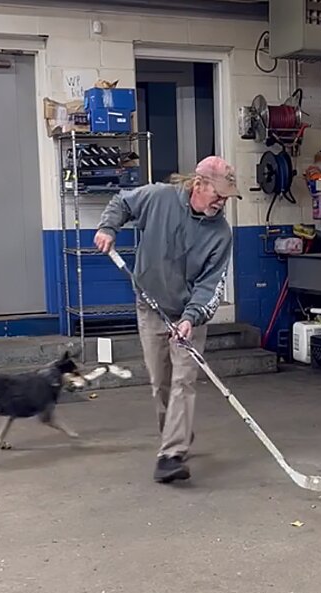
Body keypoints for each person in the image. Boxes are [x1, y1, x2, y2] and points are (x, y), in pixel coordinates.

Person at [94, 156, 240, 483]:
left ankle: (171, 453)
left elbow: (210, 284)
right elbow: (121, 203)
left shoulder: (221, 234)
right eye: (219, 194)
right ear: (197, 184)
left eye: (227, 197)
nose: (222, 202)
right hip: (150, 306)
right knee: (160, 381)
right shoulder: (159, 198)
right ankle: (174, 434)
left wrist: (192, 317)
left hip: (189, 314)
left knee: (183, 380)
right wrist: (108, 227)